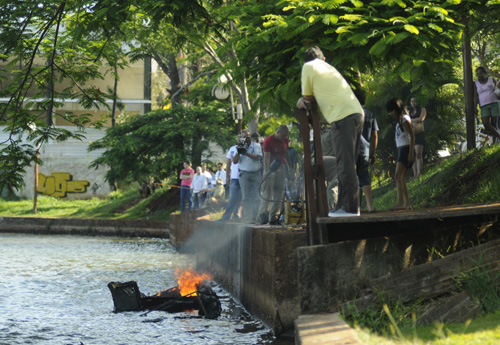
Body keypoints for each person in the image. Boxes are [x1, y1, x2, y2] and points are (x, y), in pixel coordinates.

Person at [297, 46, 364, 217]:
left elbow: (307, 97)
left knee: (344, 164)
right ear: (323, 58)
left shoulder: (308, 66)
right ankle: (344, 206)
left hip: (342, 118)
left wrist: (301, 102)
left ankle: (349, 208)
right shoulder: (329, 68)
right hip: (356, 113)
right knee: (349, 163)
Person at [257, 125, 292, 225]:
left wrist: (289, 167)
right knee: (267, 193)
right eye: (283, 136)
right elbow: (266, 157)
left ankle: (273, 217)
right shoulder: (268, 140)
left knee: (279, 193)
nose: (284, 138)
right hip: (270, 167)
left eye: (286, 136)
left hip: (280, 167)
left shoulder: (285, 140)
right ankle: (262, 216)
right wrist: (266, 172)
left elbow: (286, 153)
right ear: (278, 132)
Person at [387, 98, 415, 211]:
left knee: (398, 176)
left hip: (406, 149)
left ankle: (400, 203)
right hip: (402, 150)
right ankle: (406, 204)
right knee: (400, 177)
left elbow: (412, 135)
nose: (390, 114)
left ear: (396, 109)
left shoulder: (404, 119)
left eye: (391, 111)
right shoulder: (400, 120)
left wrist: (411, 152)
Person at [355, 90, 379, 213]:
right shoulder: (370, 115)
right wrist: (373, 152)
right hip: (365, 150)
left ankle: (356, 207)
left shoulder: (351, 114)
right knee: (364, 177)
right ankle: (370, 206)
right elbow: (375, 135)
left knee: (353, 178)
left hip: (352, 151)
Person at [233, 129, 263, 223]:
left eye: (247, 137)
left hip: (256, 173)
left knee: (257, 197)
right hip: (244, 174)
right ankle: (248, 218)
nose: (245, 139)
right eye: (243, 137)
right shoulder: (239, 146)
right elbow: (234, 161)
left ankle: (256, 217)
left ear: (250, 137)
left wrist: (246, 153)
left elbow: (258, 157)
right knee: (246, 197)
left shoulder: (256, 145)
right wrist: (239, 151)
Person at [474, 66, 500, 143]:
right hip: (483, 106)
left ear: (485, 73)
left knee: (494, 123)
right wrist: (475, 106)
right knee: (486, 123)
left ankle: (494, 143)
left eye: (481, 73)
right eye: (478, 74)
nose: (479, 75)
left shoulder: (491, 79)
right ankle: (499, 136)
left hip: (494, 103)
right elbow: (475, 95)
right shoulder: (476, 83)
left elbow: (498, 88)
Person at [220, 137, 242, 221]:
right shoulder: (232, 148)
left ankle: (236, 216)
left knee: (240, 198)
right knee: (232, 197)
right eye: (239, 137)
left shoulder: (247, 149)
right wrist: (227, 176)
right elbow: (228, 163)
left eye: (242, 137)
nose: (240, 139)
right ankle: (226, 216)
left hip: (243, 177)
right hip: (234, 177)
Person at [406, 96, 426, 179]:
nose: (413, 103)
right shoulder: (408, 110)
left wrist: (411, 120)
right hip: (410, 136)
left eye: (415, 101)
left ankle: (419, 173)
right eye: (411, 101)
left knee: (418, 154)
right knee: (412, 155)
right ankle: (414, 174)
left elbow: (421, 119)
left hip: (419, 134)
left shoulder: (422, 109)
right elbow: (404, 117)